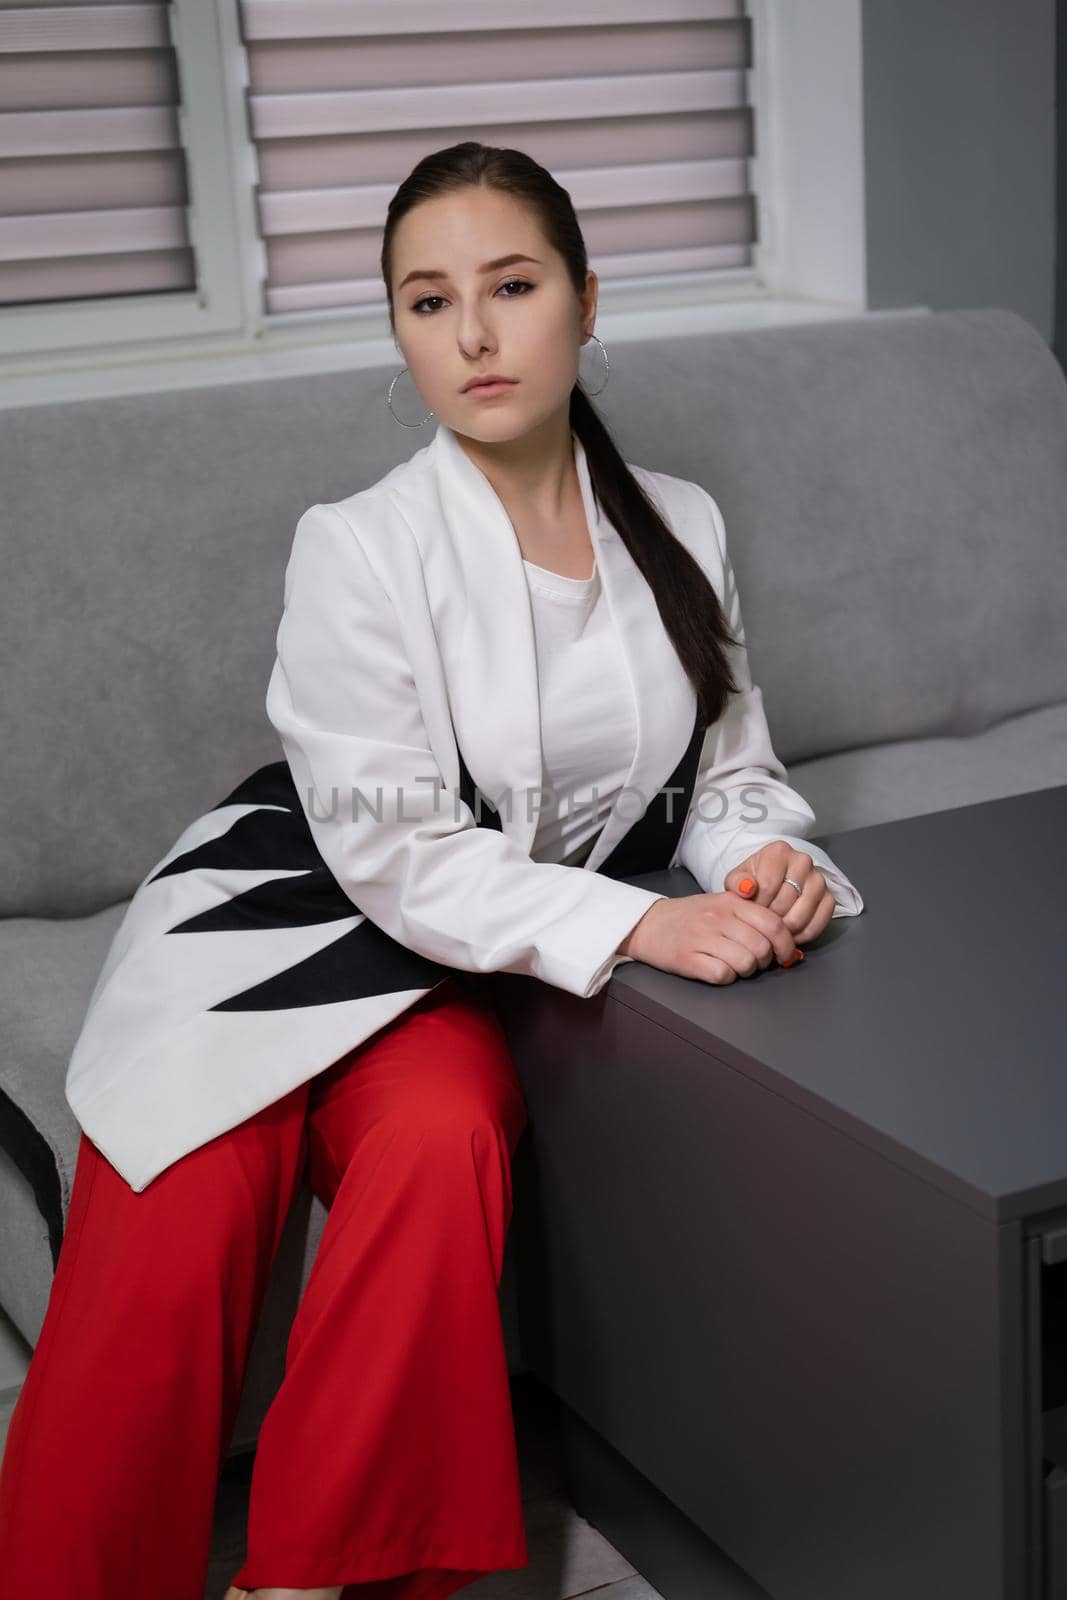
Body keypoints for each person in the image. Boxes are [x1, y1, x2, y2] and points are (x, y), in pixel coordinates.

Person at [0, 141, 864, 1600]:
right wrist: (641, 928)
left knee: (447, 1135)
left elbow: (723, 772)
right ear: (398, 330)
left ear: (586, 304)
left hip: (457, 961)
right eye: (426, 300)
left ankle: (313, 1579)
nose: (471, 334)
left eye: (511, 287)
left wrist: (765, 850)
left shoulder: (685, 524)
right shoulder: (358, 545)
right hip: (288, 916)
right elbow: (393, 848)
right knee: (186, 1195)